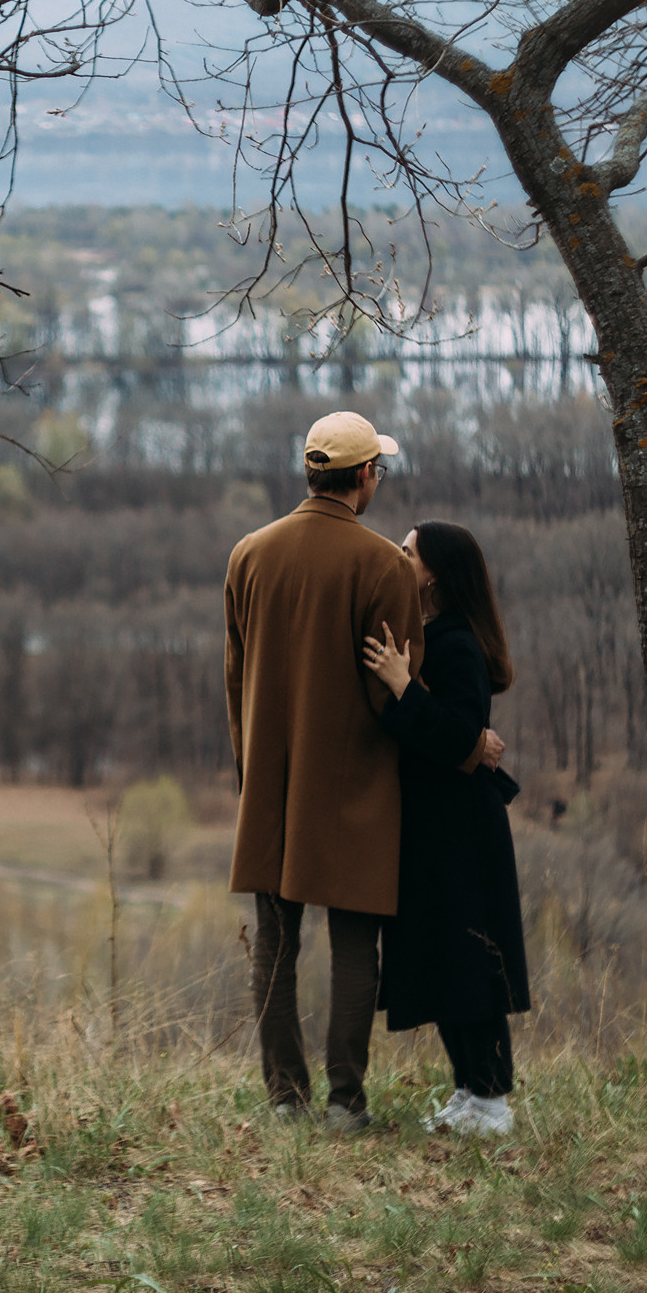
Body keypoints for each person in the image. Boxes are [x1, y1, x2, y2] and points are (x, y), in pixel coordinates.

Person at [224, 410, 423, 1131]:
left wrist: (250, 771)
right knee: (353, 946)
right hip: (356, 786)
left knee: (275, 943)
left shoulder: (249, 553)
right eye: (381, 469)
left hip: (270, 784)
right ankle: (346, 1102)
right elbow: (395, 687)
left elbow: (235, 674)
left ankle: (285, 1100)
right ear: (365, 476)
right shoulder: (385, 566)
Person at [361, 520, 531, 1138]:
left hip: (462, 834)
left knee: (468, 961)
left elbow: (459, 737)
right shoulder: (439, 635)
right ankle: (468, 1090)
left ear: (432, 571)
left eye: (408, 552)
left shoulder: (457, 644)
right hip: (441, 830)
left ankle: (492, 1101)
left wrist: (403, 686)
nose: (399, 557)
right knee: (445, 959)